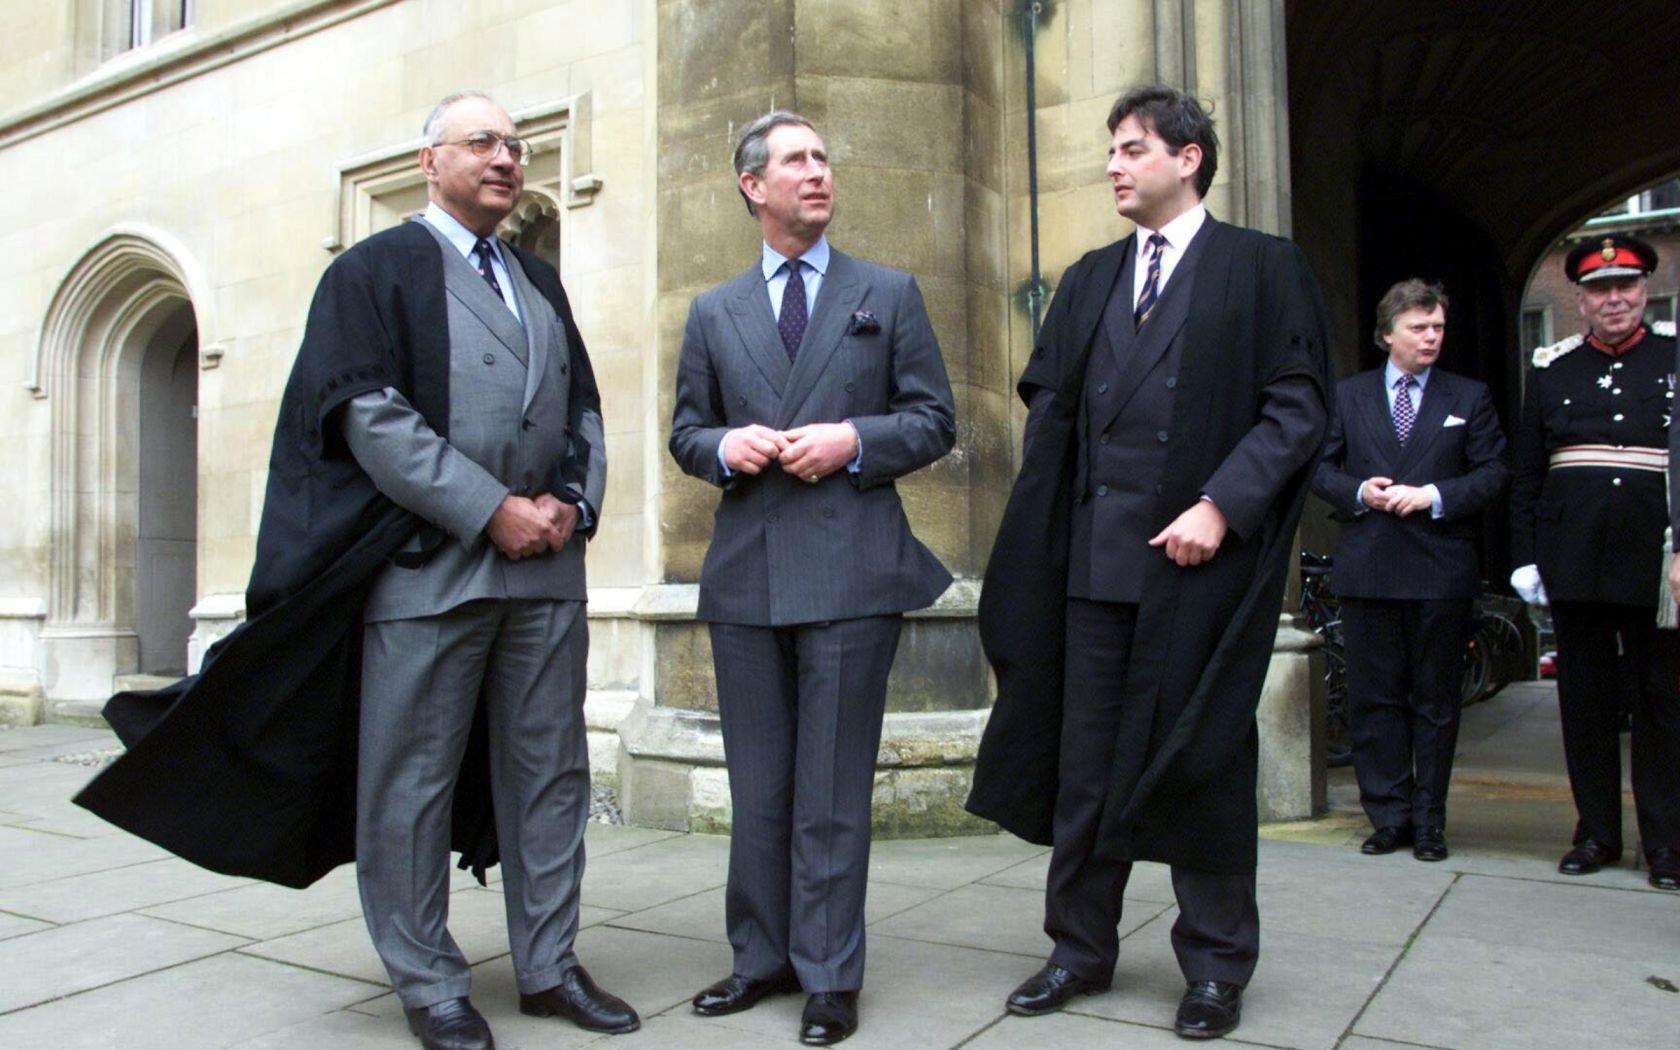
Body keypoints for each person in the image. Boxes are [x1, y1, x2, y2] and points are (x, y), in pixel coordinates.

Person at [80, 90, 636, 1050]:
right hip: (428, 577)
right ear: (430, 161)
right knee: (409, 783)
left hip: (546, 581)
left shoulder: (539, 283)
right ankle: (429, 982)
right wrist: (488, 509)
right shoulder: (373, 273)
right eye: (482, 143)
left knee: (551, 776)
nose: (506, 158)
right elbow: (368, 416)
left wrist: (573, 506)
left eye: (516, 144)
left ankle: (548, 967)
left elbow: (585, 405)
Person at [966, 85, 1331, 1041]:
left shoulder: (1264, 269)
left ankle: (1214, 969)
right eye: (1112, 152)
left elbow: (1296, 410)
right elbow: (1049, 412)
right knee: (1083, 769)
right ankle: (1078, 951)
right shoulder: (1088, 278)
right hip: (1091, 576)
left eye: (1132, 149)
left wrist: (1221, 505)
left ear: (1190, 157)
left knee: (1201, 763)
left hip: (1198, 573)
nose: (1115, 167)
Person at [668, 111, 956, 1046]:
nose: (818, 172)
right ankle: (760, 960)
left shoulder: (889, 292)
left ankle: (831, 973)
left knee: (832, 786)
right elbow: (684, 434)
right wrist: (725, 445)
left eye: (825, 157)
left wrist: (854, 441)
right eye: (797, 160)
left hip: (852, 568)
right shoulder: (713, 311)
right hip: (748, 574)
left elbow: (934, 420)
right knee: (760, 786)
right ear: (754, 186)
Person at [1311, 279, 1509, 863]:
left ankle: (1429, 821)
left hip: (1439, 568)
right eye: (1419, 328)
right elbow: (1318, 467)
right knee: (1375, 700)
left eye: (1438, 328)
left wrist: (1434, 495)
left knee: (1435, 701)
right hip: (1369, 564)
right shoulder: (1349, 396)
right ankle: (1388, 816)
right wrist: (1358, 491)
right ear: (1387, 334)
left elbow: (1494, 471)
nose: (1431, 338)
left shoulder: (1467, 397)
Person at [1510, 233, 1680, 891]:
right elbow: (1527, 475)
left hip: (1656, 563)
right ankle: (1598, 833)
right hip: (1574, 558)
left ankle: (1666, 844)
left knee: (1662, 703)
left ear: (1643, 291)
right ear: (1580, 299)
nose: (1615, 299)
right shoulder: (1553, 370)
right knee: (1585, 702)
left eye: (1626, 286)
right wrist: (1526, 559)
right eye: (1601, 289)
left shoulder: (1672, 358)